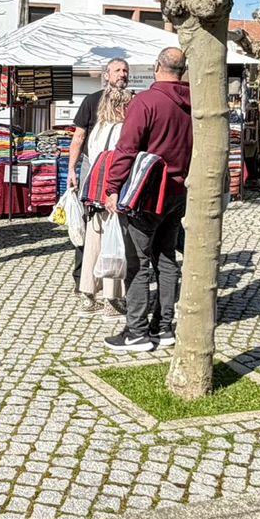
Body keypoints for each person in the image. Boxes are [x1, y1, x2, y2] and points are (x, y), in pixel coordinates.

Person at [103, 48, 192, 353]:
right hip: (178, 190)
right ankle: (163, 326)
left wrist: (112, 186)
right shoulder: (195, 104)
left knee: (138, 262)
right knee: (166, 258)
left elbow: (126, 148)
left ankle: (136, 331)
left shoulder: (146, 101)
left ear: (156, 67)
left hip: (147, 193)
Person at [77, 76, 135, 316]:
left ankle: (88, 294)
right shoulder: (125, 129)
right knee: (115, 243)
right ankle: (112, 298)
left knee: (94, 241)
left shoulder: (98, 128)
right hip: (114, 189)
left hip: (94, 190)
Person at [69, 59, 129, 287]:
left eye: (125, 71)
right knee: (89, 220)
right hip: (91, 166)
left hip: (121, 168)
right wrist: (73, 169)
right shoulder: (92, 100)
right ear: (106, 75)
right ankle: (82, 276)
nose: (122, 74)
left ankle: (113, 274)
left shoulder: (132, 102)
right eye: (117, 71)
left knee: (116, 219)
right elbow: (78, 137)